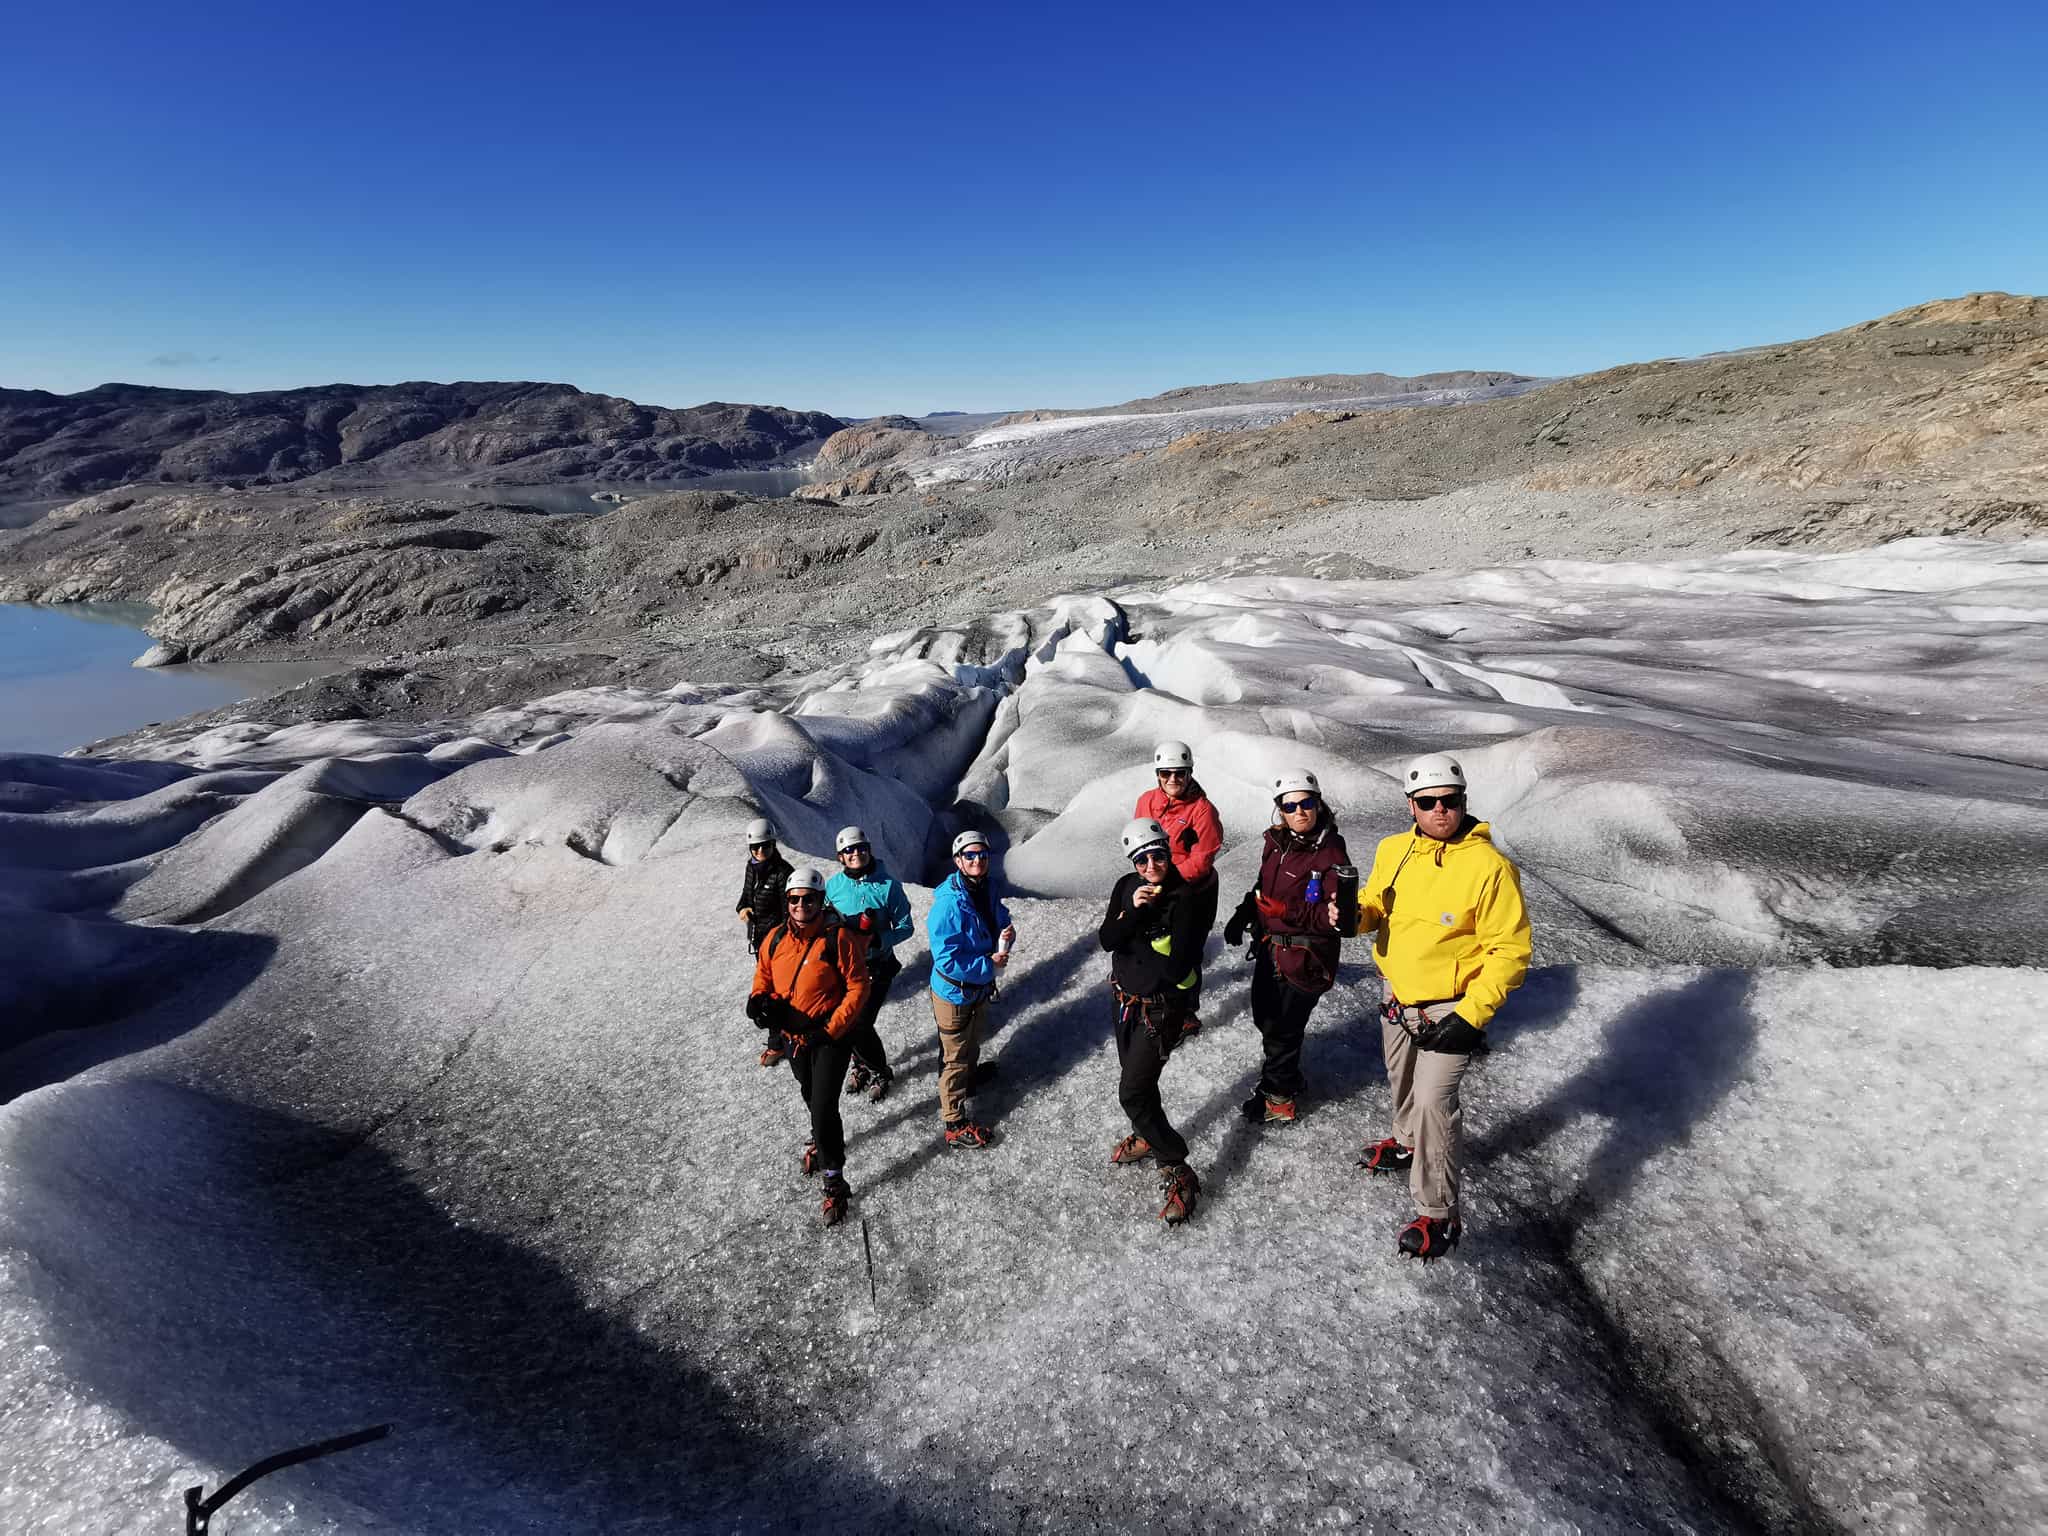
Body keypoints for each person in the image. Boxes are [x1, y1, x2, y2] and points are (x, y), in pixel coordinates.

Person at [1347, 753, 1531, 1261]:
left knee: (1434, 1104)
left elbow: (1510, 950)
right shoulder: (1393, 849)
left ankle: (1439, 1214)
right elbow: (1377, 905)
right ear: (1411, 805)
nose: (1440, 811)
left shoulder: (1490, 867)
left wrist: (1471, 1018)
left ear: (1464, 801)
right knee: (1400, 1080)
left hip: (1452, 1007)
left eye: (1450, 801)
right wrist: (1353, 917)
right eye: (1428, 803)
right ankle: (1406, 1145)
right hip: (1398, 995)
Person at [1222, 770, 1350, 1126]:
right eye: (1290, 805)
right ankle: (1287, 1078)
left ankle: (1279, 1098)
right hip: (1272, 949)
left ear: (1318, 803)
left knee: (1282, 1027)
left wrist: (1286, 912)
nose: (1300, 811)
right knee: (1267, 1018)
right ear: (1280, 810)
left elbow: (1337, 918)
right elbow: (1264, 884)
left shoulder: (1330, 852)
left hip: (1305, 956)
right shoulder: (1278, 842)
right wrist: (1244, 912)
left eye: (1307, 803)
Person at [748, 866, 872, 1226]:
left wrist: (832, 1029)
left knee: (822, 1104)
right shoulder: (774, 939)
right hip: (794, 1038)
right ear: (787, 902)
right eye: (795, 899)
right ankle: (823, 1139)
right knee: (809, 1092)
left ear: (820, 901)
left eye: (809, 899)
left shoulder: (837, 939)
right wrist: (758, 998)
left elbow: (858, 986)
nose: (801, 905)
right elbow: (764, 974)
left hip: (830, 1037)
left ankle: (834, 1179)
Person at [1098, 818, 1206, 1224]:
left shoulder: (1185, 899)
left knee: (1133, 1092)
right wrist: (1132, 912)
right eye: (1141, 860)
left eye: (1157, 855)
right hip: (1124, 1000)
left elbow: (1180, 967)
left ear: (1167, 851)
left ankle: (1177, 1164)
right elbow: (1107, 938)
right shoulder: (1127, 887)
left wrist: (1145, 921)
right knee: (1138, 1082)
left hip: (1161, 1009)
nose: (1150, 865)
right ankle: (1147, 1134)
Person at [925, 828, 1015, 1149]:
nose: (977, 860)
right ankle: (954, 1121)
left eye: (982, 855)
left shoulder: (986, 888)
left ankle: (971, 1079)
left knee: (973, 1040)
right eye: (970, 856)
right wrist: (988, 966)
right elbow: (946, 959)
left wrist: (1006, 932)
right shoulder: (948, 905)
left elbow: (999, 918)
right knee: (955, 1057)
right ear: (958, 861)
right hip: (955, 991)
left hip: (976, 987)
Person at [1132, 740, 1224, 1027]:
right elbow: (1140, 842)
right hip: (1162, 885)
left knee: (1187, 949)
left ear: (1190, 773)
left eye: (1180, 773)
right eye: (1166, 773)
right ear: (1158, 774)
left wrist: (1167, 879)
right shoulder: (1147, 801)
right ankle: (1159, 998)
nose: (1173, 779)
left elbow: (1203, 858)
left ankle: (1185, 1013)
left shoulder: (1202, 810)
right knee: (1159, 943)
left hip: (1195, 892)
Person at [825, 824, 912, 1102]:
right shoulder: (834, 886)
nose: (855, 854)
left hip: (878, 967)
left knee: (860, 1023)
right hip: (845, 968)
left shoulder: (888, 886)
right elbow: (825, 918)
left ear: (869, 849)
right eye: (848, 850)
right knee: (851, 1020)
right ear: (840, 856)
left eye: (860, 848)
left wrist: (878, 940)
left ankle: (879, 1070)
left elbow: (905, 927)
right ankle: (861, 1064)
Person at [734, 817, 794, 1067]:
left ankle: (778, 1043)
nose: (760, 851)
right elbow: (747, 894)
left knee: (775, 993)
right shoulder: (752, 867)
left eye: (765, 846)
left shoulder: (783, 873)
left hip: (777, 945)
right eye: (756, 847)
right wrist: (743, 908)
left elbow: (789, 915)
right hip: (760, 940)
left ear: (773, 844)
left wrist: (777, 943)